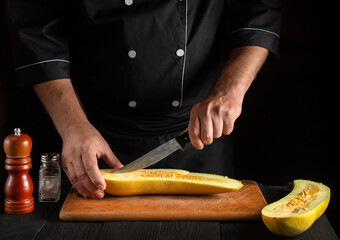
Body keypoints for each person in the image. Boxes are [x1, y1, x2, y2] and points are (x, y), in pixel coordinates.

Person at [7, 0, 282, 198]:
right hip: (91, 132)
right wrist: (72, 125)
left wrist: (229, 90)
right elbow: (36, 26)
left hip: (197, 134)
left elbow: (259, 11)